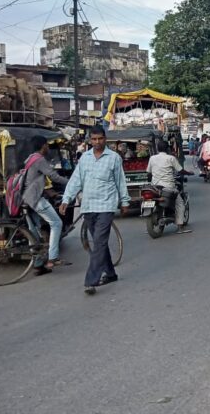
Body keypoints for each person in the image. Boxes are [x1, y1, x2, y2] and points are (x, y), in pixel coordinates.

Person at [60, 126, 130, 295]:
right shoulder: (85, 158)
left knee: (98, 243)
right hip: (88, 206)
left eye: (100, 139)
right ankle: (111, 273)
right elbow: (76, 180)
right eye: (94, 139)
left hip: (106, 206)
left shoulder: (114, 158)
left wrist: (125, 201)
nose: (97, 142)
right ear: (90, 140)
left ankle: (91, 281)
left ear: (105, 139)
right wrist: (66, 199)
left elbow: (120, 181)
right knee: (100, 243)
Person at [22, 136, 70, 274]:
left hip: (26, 198)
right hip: (35, 199)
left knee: (33, 233)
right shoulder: (39, 159)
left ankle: (38, 264)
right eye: (47, 145)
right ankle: (53, 257)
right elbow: (53, 176)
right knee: (57, 223)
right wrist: (71, 182)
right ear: (43, 146)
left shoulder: (30, 158)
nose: (48, 147)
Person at [147, 140, 192, 234]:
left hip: (155, 187)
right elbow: (180, 170)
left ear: (157, 149)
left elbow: (149, 173)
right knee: (180, 203)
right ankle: (180, 227)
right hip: (168, 186)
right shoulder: (171, 158)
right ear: (168, 149)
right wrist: (189, 173)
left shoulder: (152, 158)